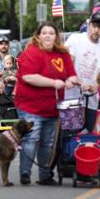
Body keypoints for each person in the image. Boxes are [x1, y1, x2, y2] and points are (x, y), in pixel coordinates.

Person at [13, 23, 77, 186]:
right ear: (38, 36)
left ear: (56, 36)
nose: (48, 36)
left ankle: (45, 175)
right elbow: (28, 77)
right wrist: (54, 82)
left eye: (51, 33)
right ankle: (25, 174)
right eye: (44, 33)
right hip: (30, 106)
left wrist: (71, 80)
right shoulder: (31, 53)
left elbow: (72, 75)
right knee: (31, 139)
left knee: (48, 142)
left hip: (53, 108)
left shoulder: (63, 55)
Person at [66, 12, 100, 130]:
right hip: (72, 97)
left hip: (91, 98)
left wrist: (96, 85)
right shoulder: (75, 39)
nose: (96, 30)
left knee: (88, 134)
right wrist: (80, 82)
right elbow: (68, 63)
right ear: (89, 25)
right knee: (71, 133)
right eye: (94, 26)